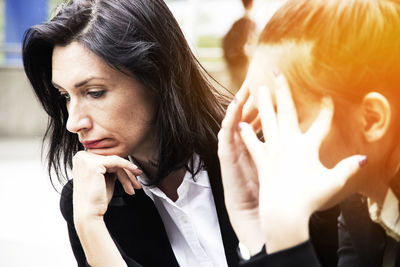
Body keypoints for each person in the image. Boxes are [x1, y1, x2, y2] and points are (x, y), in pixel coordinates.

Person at [22, 0, 242, 266]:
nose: (73, 122)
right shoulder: (91, 201)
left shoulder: (256, 153)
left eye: (94, 92)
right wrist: (90, 225)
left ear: (156, 75)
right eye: (65, 95)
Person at [218, 0, 400, 266]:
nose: (267, 140)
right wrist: (256, 227)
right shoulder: (358, 205)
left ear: (372, 119)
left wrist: (287, 242)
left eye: (285, 115)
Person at [222, 0, 257, 93]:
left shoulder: (237, 23)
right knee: (243, 90)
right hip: (241, 62)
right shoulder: (249, 23)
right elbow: (250, 46)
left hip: (233, 61)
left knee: (234, 90)